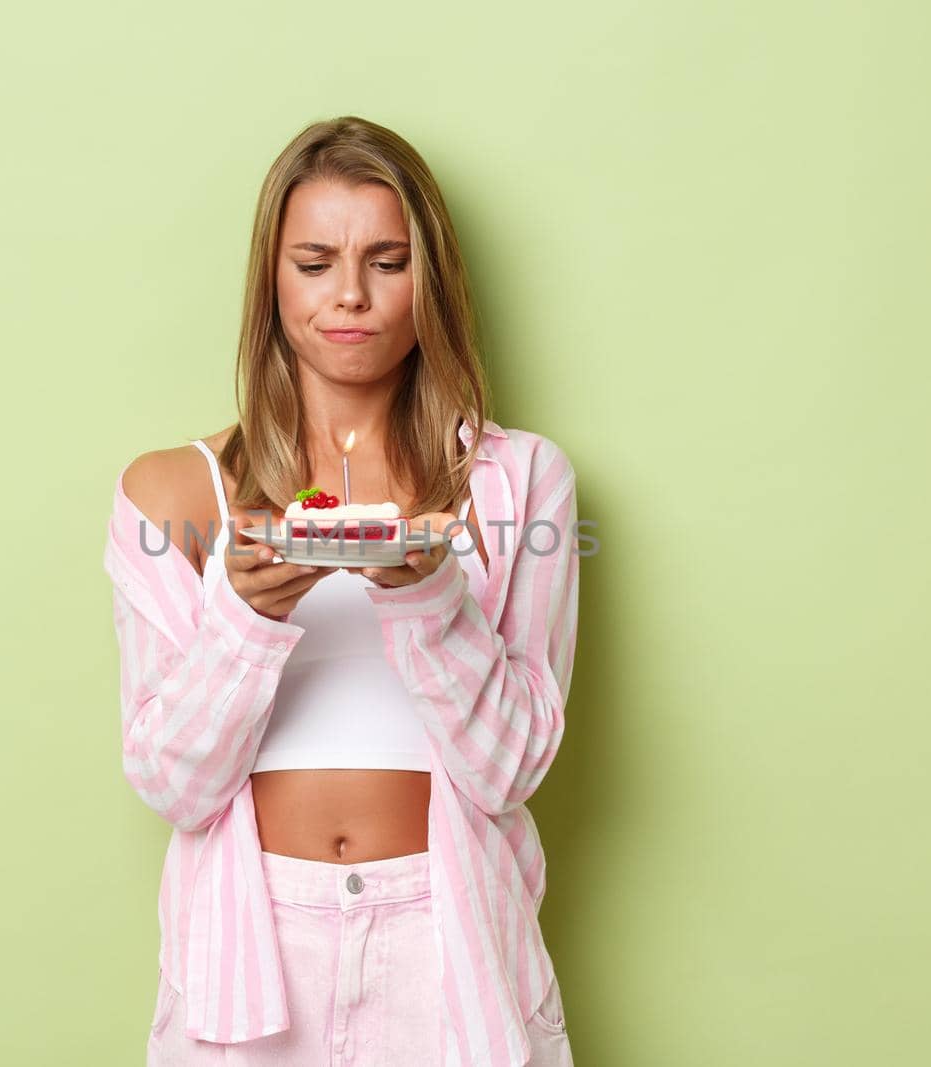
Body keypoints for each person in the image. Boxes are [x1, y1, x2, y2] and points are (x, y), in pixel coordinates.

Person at [103, 115, 581, 1066]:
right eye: (315, 261)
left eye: (388, 261)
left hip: (449, 950)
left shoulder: (519, 482)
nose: (350, 295)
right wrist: (247, 616)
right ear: (271, 280)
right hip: (251, 948)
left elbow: (510, 770)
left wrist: (428, 599)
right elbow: (173, 782)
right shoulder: (172, 493)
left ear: (431, 280)